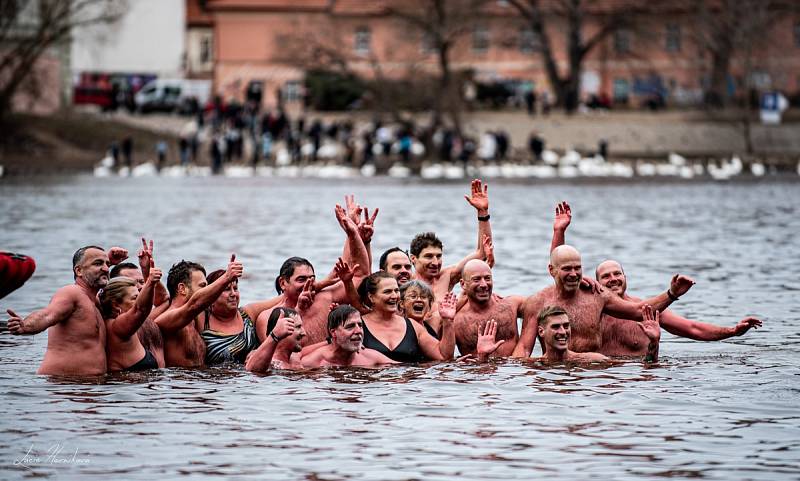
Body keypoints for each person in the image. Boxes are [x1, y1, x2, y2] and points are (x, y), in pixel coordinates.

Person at [513, 244, 695, 358]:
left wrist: (671, 293)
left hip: (592, 375)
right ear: (552, 270)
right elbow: (523, 348)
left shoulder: (596, 295)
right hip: (554, 373)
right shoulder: (537, 302)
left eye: (578, 268)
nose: (574, 274)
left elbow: (639, 311)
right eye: (567, 269)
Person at [256, 203, 370, 345]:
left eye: (312, 279)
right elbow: (274, 355)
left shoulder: (326, 298)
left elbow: (360, 276)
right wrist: (299, 310)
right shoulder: (266, 317)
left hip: (329, 366)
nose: (309, 285)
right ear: (283, 283)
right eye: (301, 279)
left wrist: (352, 233)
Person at [596, 260, 762, 357]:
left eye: (617, 274)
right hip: (603, 381)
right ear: (596, 283)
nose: (613, 279)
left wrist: (732, 331)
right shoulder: (593, 310)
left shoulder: (648, 309)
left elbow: (692, 329)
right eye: (606, 276)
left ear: (625, 277)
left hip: (639, 381)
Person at [6, 246, 112, 376]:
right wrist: (25, 326)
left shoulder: (95, 302)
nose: (106, 268)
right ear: (78, 271)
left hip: (89, 388)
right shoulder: (71, 293)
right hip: (64, 386)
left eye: (108, 264)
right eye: (98, 263)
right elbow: (47, 315)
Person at [410, 179, 492, 306]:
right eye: (429, 256)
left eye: (438, 256)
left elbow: (482, 253)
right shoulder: (404, 282)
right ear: (414, 259)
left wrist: (483, 213)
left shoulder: (447, 276)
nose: (435, 262)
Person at [154, 256, 243, 368]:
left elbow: (162, 297)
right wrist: (226, 278)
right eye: (203, 286)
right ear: (182, 289)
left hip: (199, 384)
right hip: (180, 383)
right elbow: (194, 305)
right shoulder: (168, 319)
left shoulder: (194, 319)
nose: (207, 291)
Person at [358, 271, 456, 363]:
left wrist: (448, 321)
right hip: (373, 380)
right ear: (371, 297)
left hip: (409, 380)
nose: (394, 296)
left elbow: (444, 356)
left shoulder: (412, 325)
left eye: (396, 291)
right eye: (387, 292)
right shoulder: (358, 325)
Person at [199, 268, 282, 365]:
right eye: (226, 289)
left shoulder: (248, 313)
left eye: (235, 288)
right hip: (215, 377)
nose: (233, 294)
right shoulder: (202, 318)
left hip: (248, 378)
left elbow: (283, 300)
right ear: (211, 294)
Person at [108, 238, 169, 367]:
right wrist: (108, 263)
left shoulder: (146, 317)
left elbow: (164, 300)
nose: (140, 287)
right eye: (132, 284)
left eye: (142, 282)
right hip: (129, 385)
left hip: (156, 384)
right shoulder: (113, 322)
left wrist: (146, 271)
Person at [531, 305, 660, 363]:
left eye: (566, 326)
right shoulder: (533, 366)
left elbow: (645, 365)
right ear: (541, 331)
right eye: (556, 327)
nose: (563, 332)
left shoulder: (593, 360)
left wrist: (654, 343)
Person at [100, 261, 163, 371]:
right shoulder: (117, 327)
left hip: (136, 386)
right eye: (135, 298)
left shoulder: (115, 324)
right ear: (115, 304)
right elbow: (141, 309)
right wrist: (150, 282)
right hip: (128, 388)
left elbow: (162, 301)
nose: (139, 301)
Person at [453, 259, 523, 358]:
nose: (484, 285)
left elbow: (542, 309)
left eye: (487, 278)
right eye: (476, 279)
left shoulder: (512, 305)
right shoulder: (456, 321)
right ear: (463, 284)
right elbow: (442, 355)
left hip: (512, 370)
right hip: (476, 371)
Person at [301, 305, 397, 368]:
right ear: (333, 333)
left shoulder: (371, 357)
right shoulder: (313, 362)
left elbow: (401, 370)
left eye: (360, 325)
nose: (358, 331)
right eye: (350, 327)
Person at [245, 308, 302, 372]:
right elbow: (251, 370)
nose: (304, 333)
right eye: (298, 327)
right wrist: (275, 335)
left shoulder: (295, 357)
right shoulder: (268, 361)